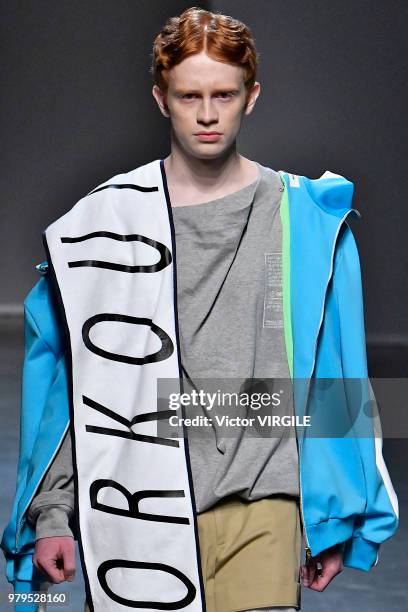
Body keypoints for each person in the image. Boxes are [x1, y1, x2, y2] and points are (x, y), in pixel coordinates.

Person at [1, 6, 398, 612]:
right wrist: (54, 509)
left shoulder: (306, 219)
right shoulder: (104, 226)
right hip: (137, 504)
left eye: (224, 94)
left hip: (264, 503)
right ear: (161, 99)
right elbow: (69, 373)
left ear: (252, 95)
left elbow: (337, 369)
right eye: (190, 96)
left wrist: (338, 515)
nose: (208, 115)